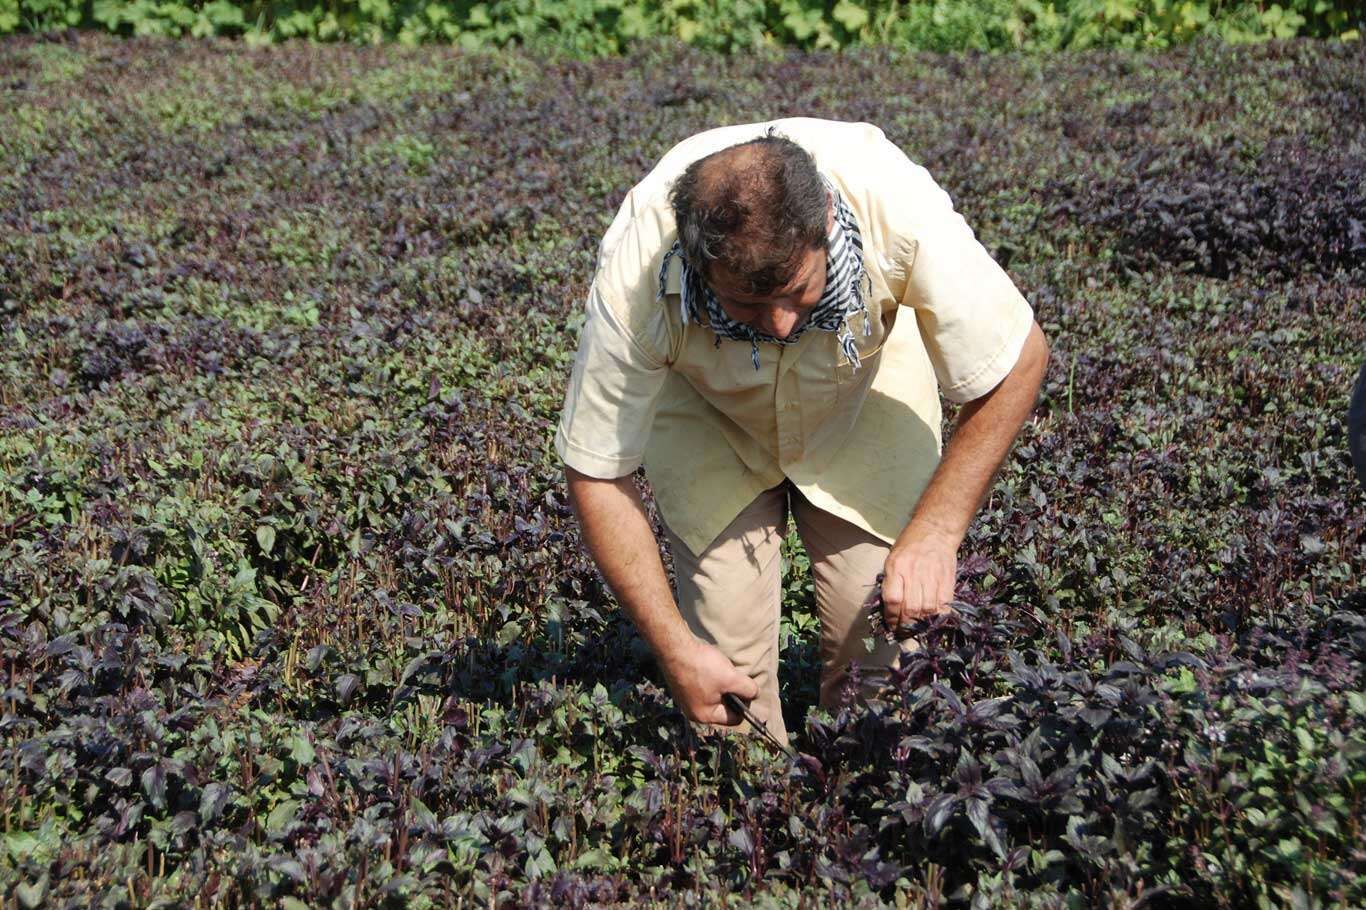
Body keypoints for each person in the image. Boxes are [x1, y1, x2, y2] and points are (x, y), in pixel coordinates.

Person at [555, 118, 1050, 748]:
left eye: (796, 291)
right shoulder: (639, 266)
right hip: (707, 412)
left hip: (862, 387)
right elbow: (596, 469)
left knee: (884, 668)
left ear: (827, 223)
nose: (781, 325)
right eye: (747, 305)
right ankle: (761, 790)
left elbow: (1018, 359)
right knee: (725, 700)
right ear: (698, 265)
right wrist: (674, 650)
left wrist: (935, 534)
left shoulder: (896, 205)